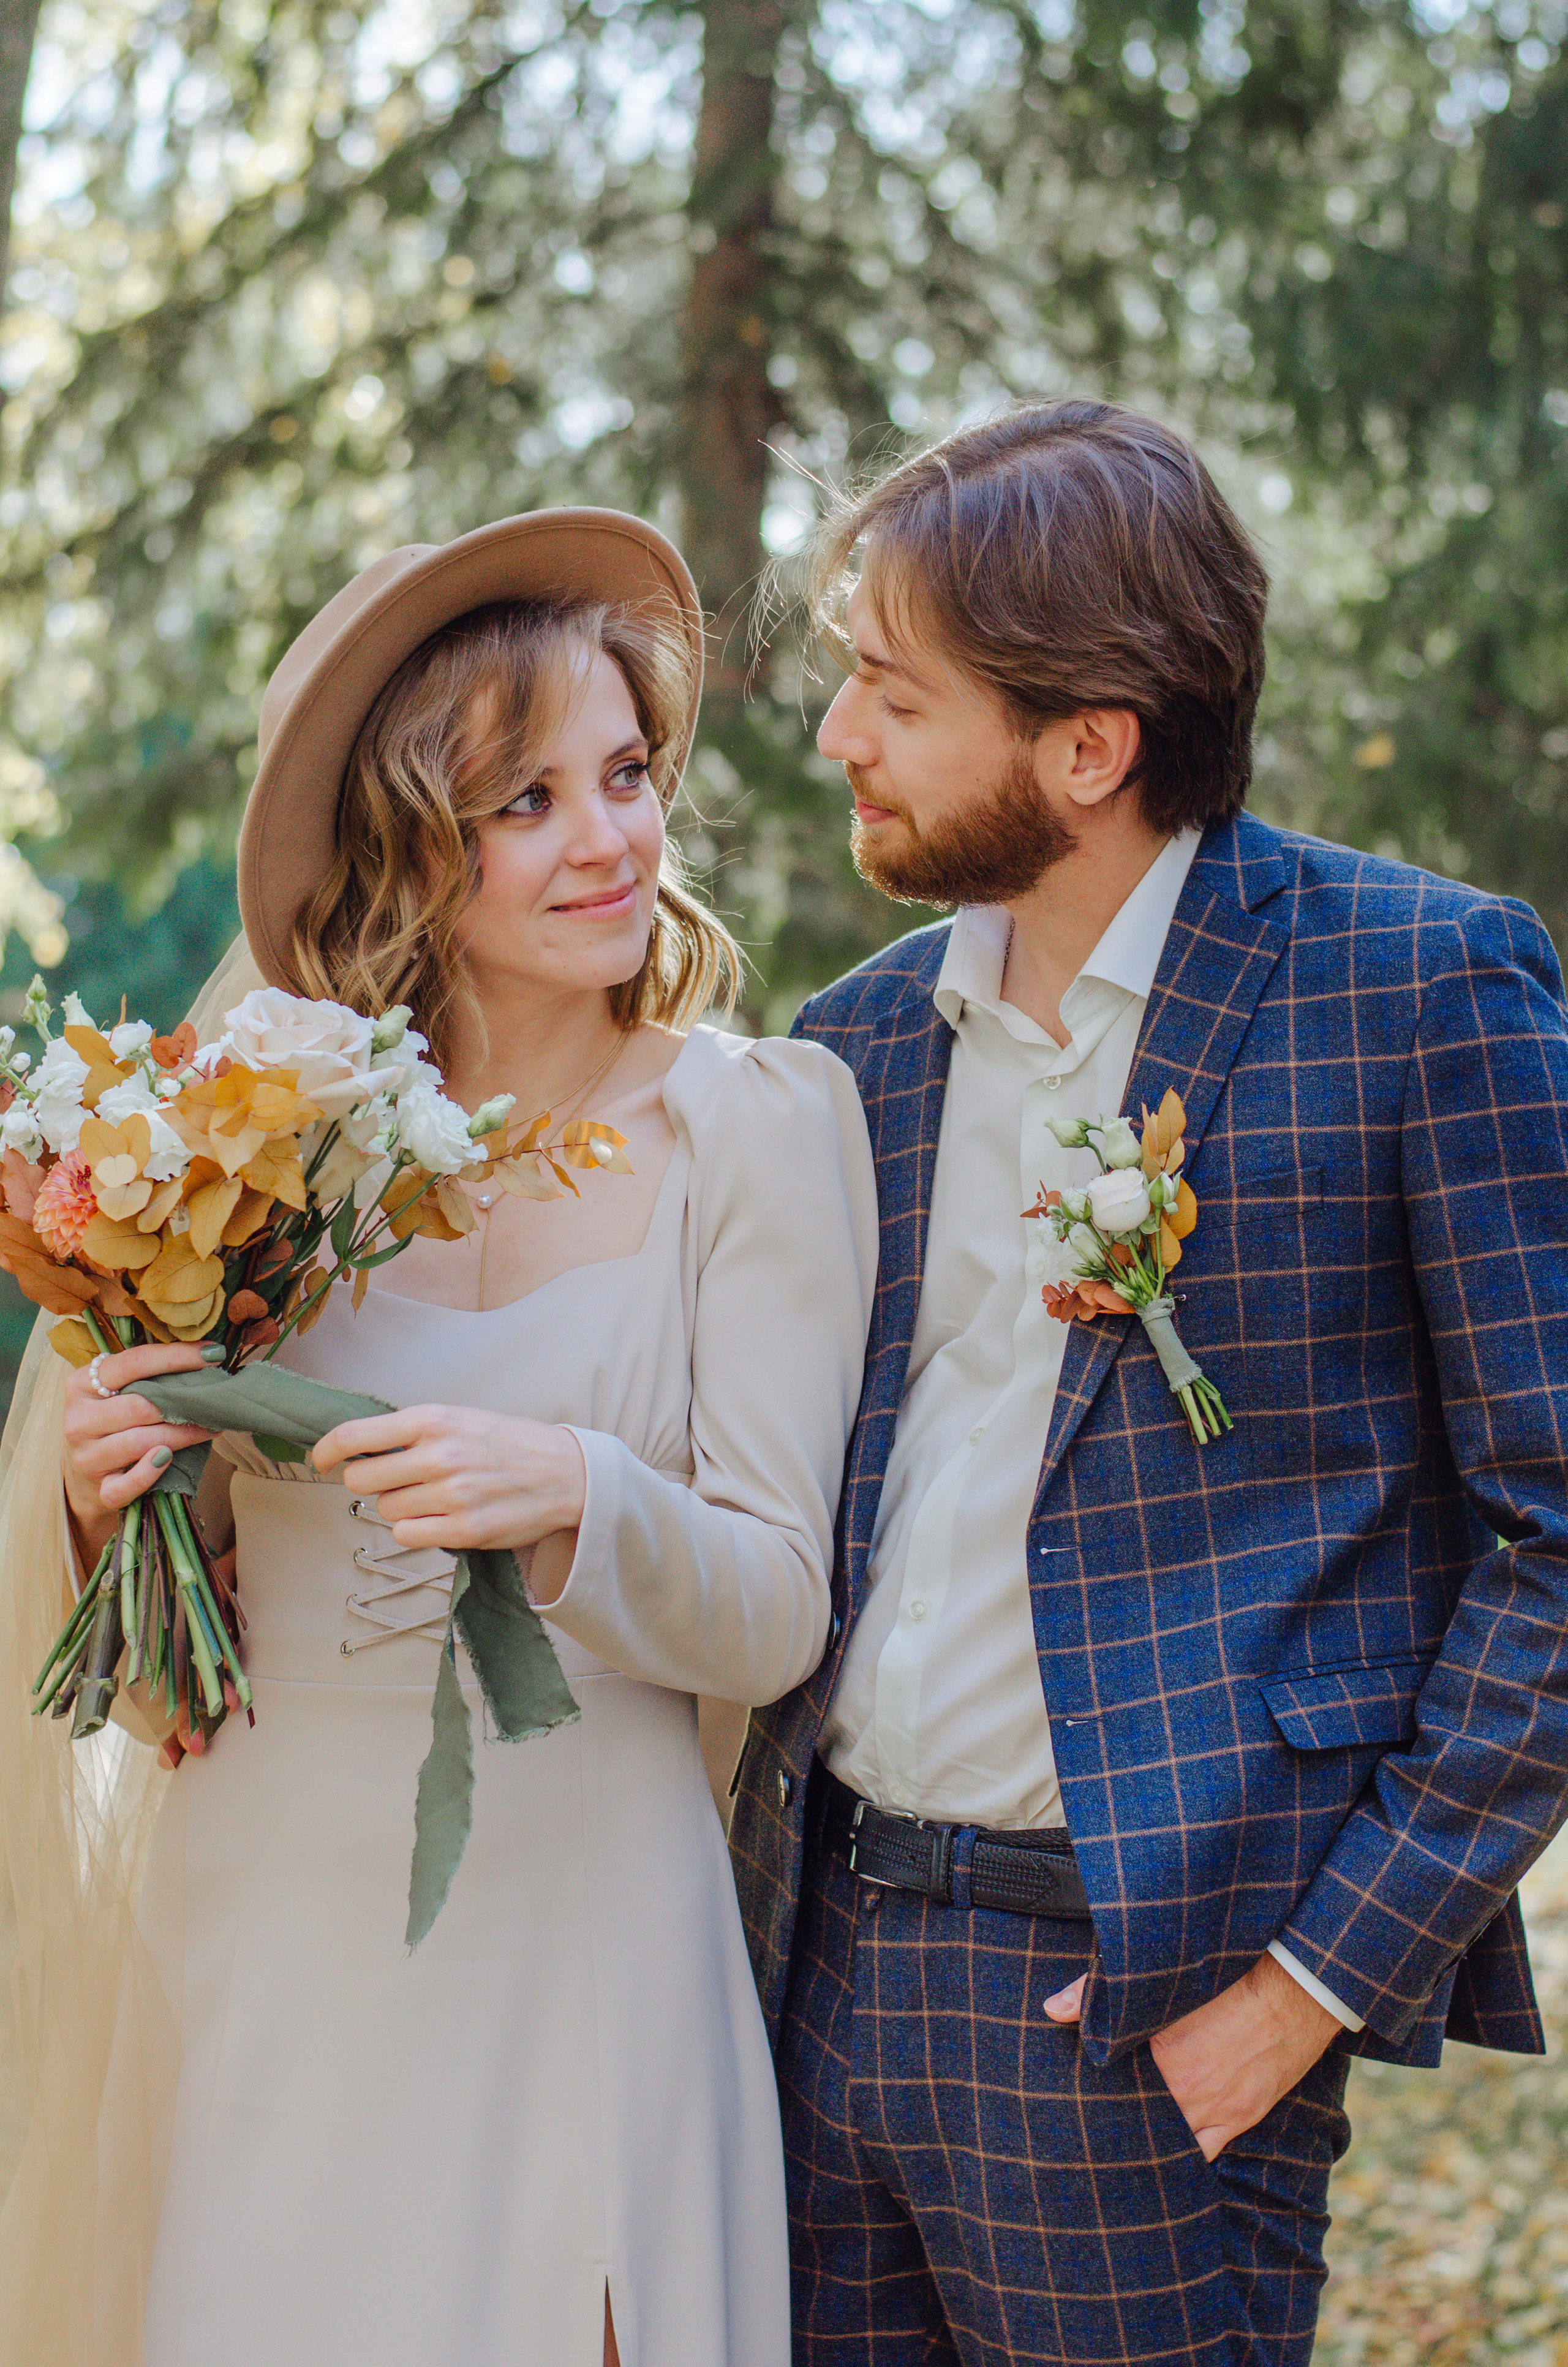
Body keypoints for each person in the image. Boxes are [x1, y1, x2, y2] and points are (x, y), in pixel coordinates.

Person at [728, 400, 1568, 2366]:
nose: (838, 736)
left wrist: (1307, 1981)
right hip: (811, 1972)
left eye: (887, 692)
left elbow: (1556, 1537)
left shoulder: (1417, 991)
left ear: (1086, 745)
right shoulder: (850, 1048)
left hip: (1139, 2021)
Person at [0, 510, 878, 2367]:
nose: (612, 839)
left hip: (585, 1954)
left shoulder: (757, 1130)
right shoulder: (263, 1150)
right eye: (529, 801)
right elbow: (164, 1680)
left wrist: (582, 1501)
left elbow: (780, 1608)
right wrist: (115, 1515)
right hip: (263, 1956)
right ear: (415, 842)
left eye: (627, 775)